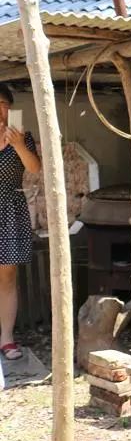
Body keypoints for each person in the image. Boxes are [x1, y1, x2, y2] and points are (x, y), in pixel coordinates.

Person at [0, 83, 40, 361]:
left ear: (9, 106)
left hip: (10, 208)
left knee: (7, 274)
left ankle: (7, 338)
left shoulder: (22, 137)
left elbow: (35, 168)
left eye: (3, 103)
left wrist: (16, 144)